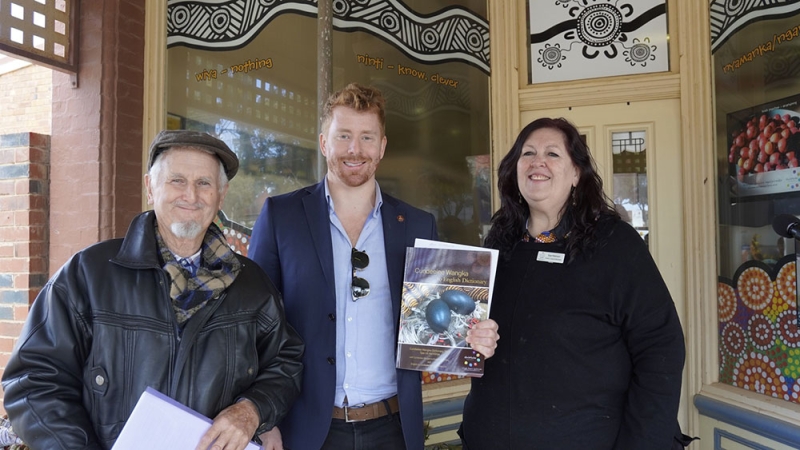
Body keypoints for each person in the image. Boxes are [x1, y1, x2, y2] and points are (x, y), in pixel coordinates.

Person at [1, 130, 304, 450]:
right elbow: (33, 382)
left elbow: (286, 361)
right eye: (177, 180)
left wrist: (253, 409)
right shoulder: (90, 274)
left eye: (204, 183)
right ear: (150, 187)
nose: (191, 195)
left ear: (220, 196)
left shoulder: (252, 284)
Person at [248, 83, 500, 450]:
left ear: (381, 147)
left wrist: (473, 336)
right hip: (303, 429)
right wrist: (263, 416)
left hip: (393, 430)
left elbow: (435, 324)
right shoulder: (281, 217)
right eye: (344, 136)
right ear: (324, 143)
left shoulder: (417, 225)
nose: (355, 149)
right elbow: (252, 326)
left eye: (367, 137)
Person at [459, 118, 686, 449]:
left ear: (577, 173)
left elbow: (661, 347)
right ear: (514, 169)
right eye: (528, 153)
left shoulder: (613, 243)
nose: (538, 162)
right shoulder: (496, 245)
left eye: (553, 154)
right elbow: (465, 341)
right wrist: (472, 342)